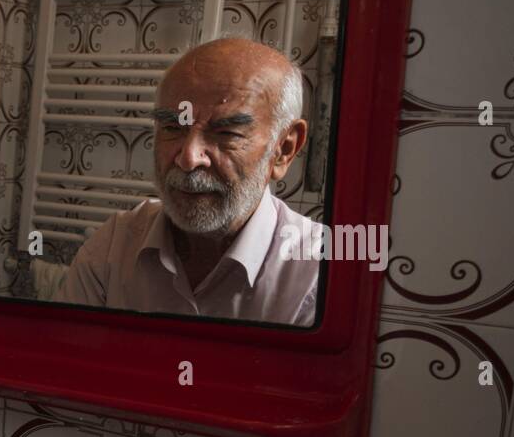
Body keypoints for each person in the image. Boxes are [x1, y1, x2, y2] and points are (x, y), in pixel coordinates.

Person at [54, 37, 320, 327]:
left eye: (227, 133)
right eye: (172, 127)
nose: (189, 158)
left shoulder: (320, 272)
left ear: (284, 150)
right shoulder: (112, 248)